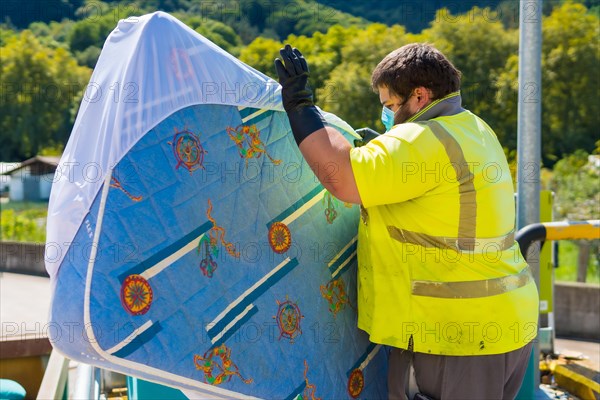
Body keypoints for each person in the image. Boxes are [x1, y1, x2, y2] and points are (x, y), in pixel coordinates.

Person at [274, 43, 539, 400]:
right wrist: (382, 154)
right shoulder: (472, 127)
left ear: (420, 96)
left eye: (390, 106)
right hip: (501, 326)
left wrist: (300, 107)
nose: (387, 116)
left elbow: (341, 177)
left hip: (451, 333)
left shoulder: (423, 139)